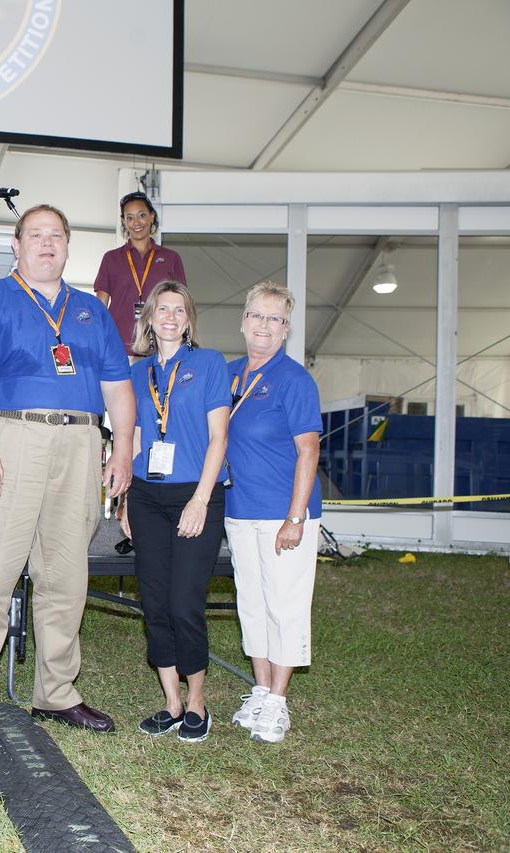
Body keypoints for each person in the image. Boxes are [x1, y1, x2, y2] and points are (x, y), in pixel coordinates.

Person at [0, 204, 135, 738]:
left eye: (57, 235)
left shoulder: (90, 311)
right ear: (17, 244)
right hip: (10, 435)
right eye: (36, 235)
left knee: (65, 575)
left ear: (69, 246)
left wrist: (121, 448)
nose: (47, 244)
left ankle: (55, 693)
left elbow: (118, 386)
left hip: (80, 440)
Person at [119, 280, 229, 743]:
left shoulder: (209, 364)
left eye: (178, 310)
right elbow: (139, 437)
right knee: (156, 602)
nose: (169, 317)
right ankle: (171, 702)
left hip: (194, 494)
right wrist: (125, 500)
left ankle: (198, 702)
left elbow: (219, 439)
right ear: (149, 318)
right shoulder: (137, 372)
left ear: (189, 320)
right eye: (161, 309)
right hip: (146, 496)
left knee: (185, 602)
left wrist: (200, 500)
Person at [223, 281, 321, 744]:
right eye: (257, 316)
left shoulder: (295, 379)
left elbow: (308, 451)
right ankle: (260, 690)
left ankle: (279, 702)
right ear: (243, 321)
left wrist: (295, 516)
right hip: (240, 510)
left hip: (285, 513)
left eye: (275, 319)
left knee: (285, 604)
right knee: (253, 605)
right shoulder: (228, 374)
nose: (264, 326)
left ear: (286, 329)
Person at [94, 191, 187, 359]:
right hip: (119, 349)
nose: (136, 222)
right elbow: (100, 307)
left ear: (152, 216)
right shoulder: (111, 258)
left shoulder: (171, 258)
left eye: (142, 215)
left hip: (160, 350)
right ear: (124, 221)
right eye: (129, 217)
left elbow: (182, 304)